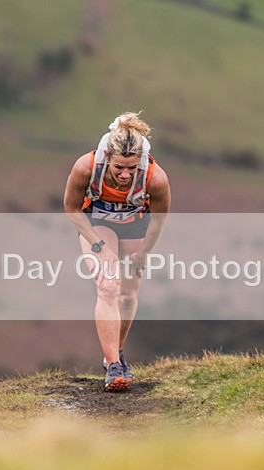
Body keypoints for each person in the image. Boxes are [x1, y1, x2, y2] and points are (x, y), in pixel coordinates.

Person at [64, 112, 171, 392]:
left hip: (137, 225)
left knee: (127, 293)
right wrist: (98, 245)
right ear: (107, 157)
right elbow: (72, 208)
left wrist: (143, 254)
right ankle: (113, 367)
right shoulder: (86, 167)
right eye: (119, 167)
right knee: (108, 285)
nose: (125, 175)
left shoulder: (155, 178)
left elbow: (159, 220)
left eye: (131, 168)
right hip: (97, 224)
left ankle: (117, 353)